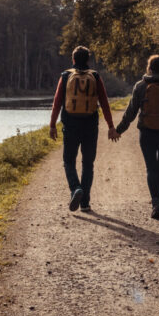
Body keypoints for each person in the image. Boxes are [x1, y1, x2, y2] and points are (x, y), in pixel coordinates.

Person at [113, 54, 159, 219]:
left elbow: (131, 112)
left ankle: (155, 202)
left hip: (146, 133)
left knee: (151, 168)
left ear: (150, 69)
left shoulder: (141, 86)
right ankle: (158, 200)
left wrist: (119, 130)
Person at [49, 46, 115, 212]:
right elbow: (105, 103)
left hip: (70, 125)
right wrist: (111, 126)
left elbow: (57, 103)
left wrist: (52, 125)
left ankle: (75, 188)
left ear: (73, 59)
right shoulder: (95, 76)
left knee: (68, 161)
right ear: (87, 60)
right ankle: (84, 202)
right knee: (88, 164)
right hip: (90, 125)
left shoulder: (65, 76)